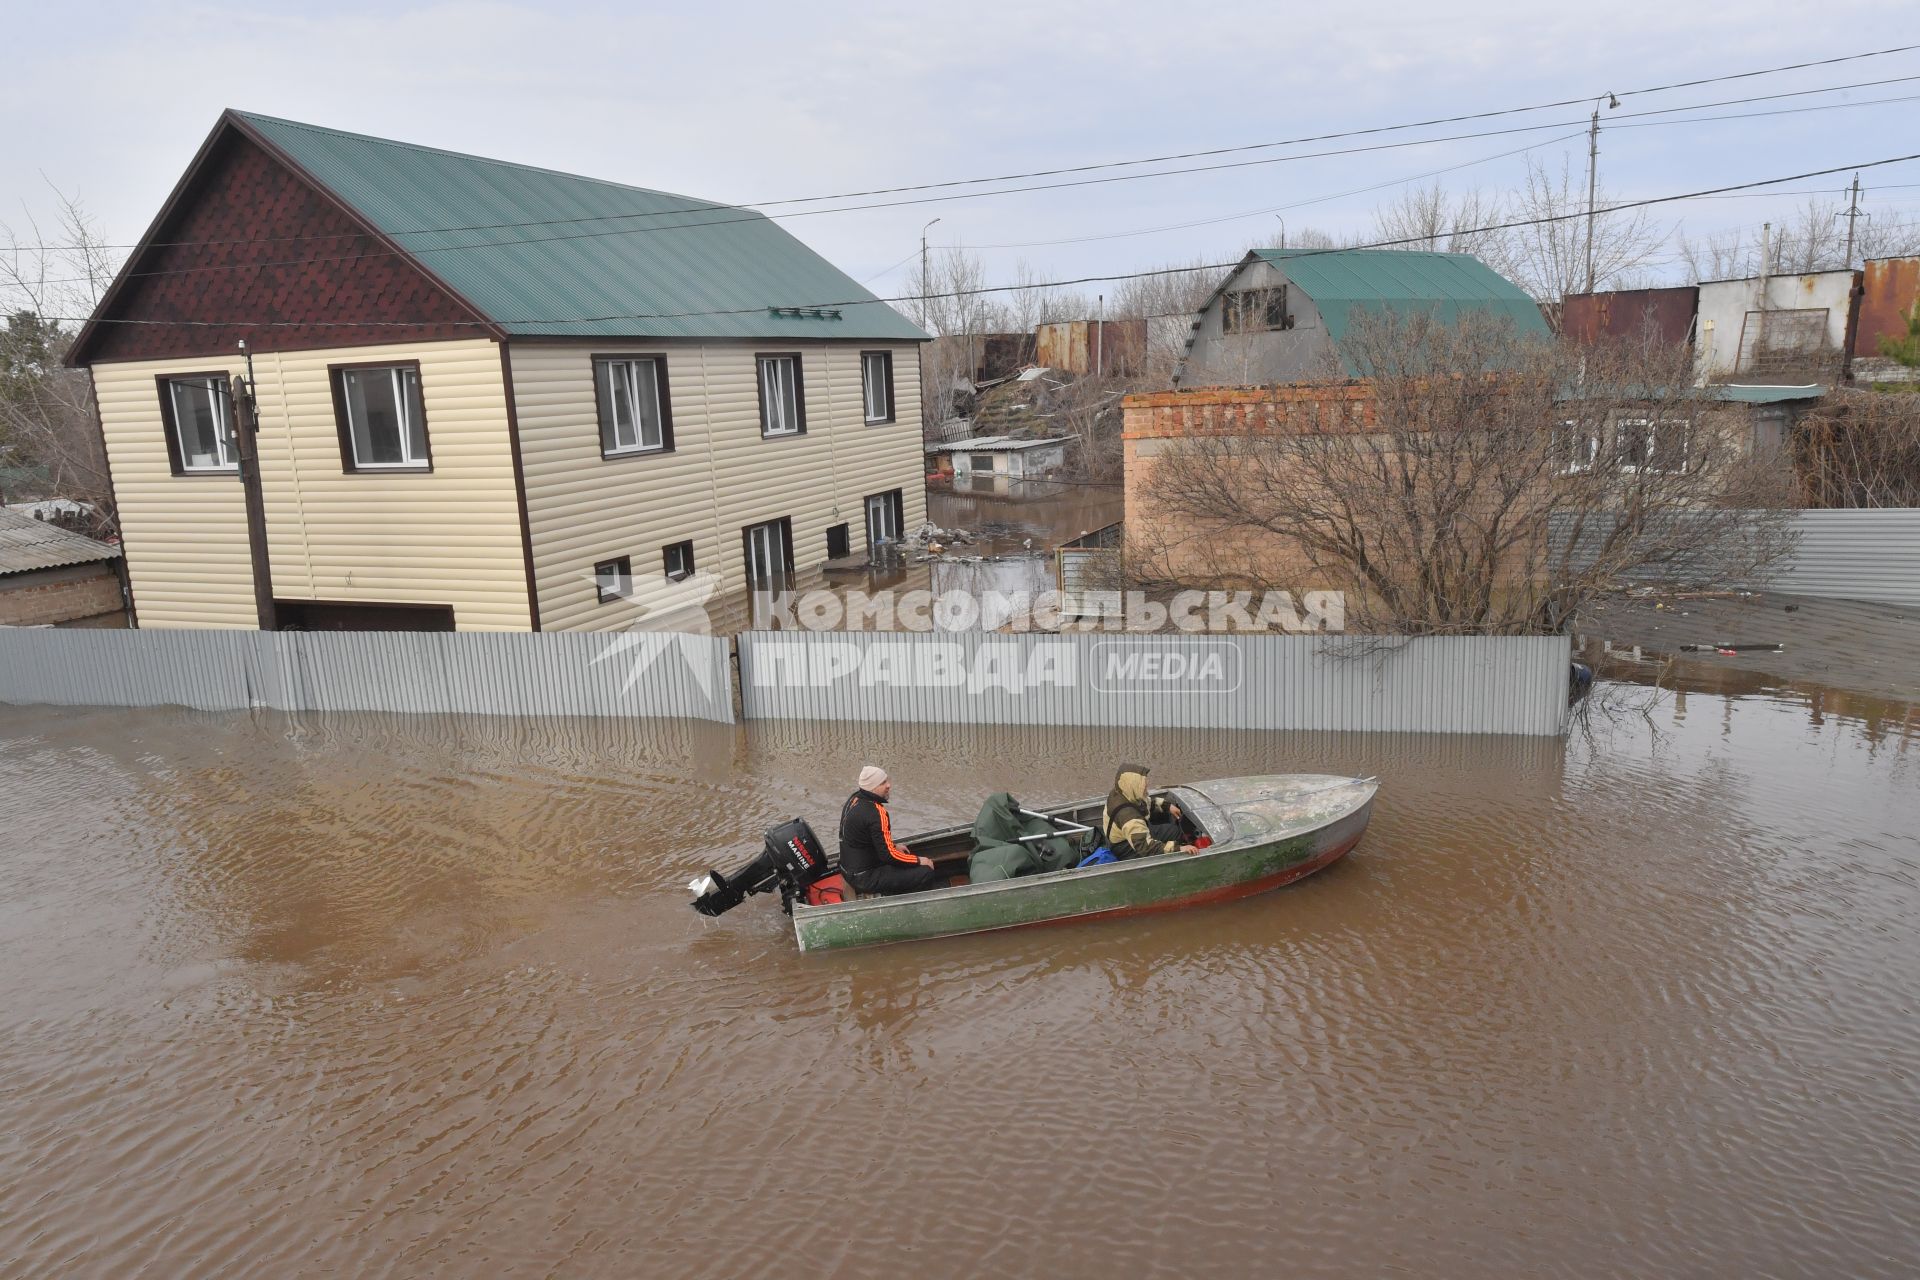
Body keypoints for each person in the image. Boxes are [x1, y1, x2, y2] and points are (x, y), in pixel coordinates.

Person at [838, 765, 938, 896]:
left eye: (887, 780)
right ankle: (909, 905)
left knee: (905, 854)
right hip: (865, 877)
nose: (888, 785)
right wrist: (920, 861)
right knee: (926, 871)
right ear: (872, 787)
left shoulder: (854, 800)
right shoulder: (877, 813)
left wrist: (894, 846)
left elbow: (865, 838)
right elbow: (888, 856)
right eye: (883, 783)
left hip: (848, 870)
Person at [1102, 763, 1197, 860]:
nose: (1147, 785)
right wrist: (1179, 848)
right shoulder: (1129, 817)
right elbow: (1146, 848)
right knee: (1175, 832)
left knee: (1167, 826)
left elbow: (1143, 803)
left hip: (1122, 836)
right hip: (1126, 848)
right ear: (1133, 784)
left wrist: (1167, 806)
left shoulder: (1122, 792)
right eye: (1143, 785)